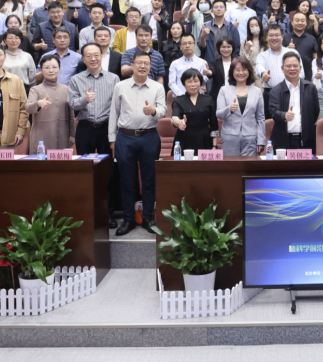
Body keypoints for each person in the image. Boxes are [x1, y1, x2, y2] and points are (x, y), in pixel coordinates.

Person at [109, 51, 166, 237]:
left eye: (146, 63)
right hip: (125, 137)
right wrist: (112, 140)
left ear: (150, 67)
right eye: (139, 63)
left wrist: (153, 111)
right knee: (127, 180)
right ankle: (128, 219)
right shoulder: (120, 86)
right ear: (132, 65)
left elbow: (163, 111)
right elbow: (114, 113)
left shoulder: (157, 87)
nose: (143, 66)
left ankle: (148, 217)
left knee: (149, 180)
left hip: (149, 136)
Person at [69, 43, 120, 157]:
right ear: (83, 59)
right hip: (85, 128)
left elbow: (118, 106)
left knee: (107, 164)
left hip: (106, 128)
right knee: (85, 164)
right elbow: (72, 104)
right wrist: (84, 100)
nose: (93, 59)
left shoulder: (114, 78)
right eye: (89, 56)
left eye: (96, 55)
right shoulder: (76, 79)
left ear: (101, 56)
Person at [268, 52, 320, 152]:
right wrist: (284, 115)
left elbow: (315, 112)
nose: (292, 69)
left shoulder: (310, 88)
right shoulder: (275, 90)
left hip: (306, 141)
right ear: (282, 68)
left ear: (300, 68)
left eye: (295, 66)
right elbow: (273, 112)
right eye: (288, 66)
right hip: (283, 141)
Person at [25, 54, 76, 151]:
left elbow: (71, 115)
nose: (51, 70)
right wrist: (38, 103)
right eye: (47, 68)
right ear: (41, 70)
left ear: (59, 68)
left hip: (63, 136)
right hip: (41, 137)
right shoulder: (35, 89)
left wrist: (72, 134)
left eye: (54, 67)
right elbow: (28, 107)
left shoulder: (66, 89)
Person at [216, 58, 265, 156]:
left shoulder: (257, 91)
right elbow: (219, 114)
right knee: (230, 165)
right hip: (229, 138)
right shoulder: (224, 90)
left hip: (250, 138)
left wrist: (261, 140)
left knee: (249, 165)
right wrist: (229, 109)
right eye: (237, 70)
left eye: (244, 69)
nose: (241, 73)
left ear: (249, 71)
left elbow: (260, 118)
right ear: (232, 72)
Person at [171, 68, 218, 152]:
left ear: (200, 83)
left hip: (204, 140)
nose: (193, 84)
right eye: (189, 81)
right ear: (184, 84)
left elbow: (214, 125)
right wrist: (179, 123)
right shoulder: (178, 100)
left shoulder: (208, 99)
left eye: (196, 81)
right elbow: (174, 118)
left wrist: (214, 146)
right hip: (184, 140)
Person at [255, 25, 295, 115]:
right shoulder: (262, 55)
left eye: (277, 35)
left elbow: (301, 74)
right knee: (269, 121)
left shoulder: (292, 53)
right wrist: (263, 73)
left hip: (290, 93)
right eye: (271, 35)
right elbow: (258, 66)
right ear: (266, 38)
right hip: (270, 94)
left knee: (291, 120)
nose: (274, 38)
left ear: (282, 37)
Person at [200, 0, 240, 65]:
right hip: (210, 63)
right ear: (212, 10)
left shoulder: (232, 28)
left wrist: (233, 63)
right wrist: (202, 37)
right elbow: (202, 48)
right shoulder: (206, 27)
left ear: (225, 10)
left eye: (221, 7)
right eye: (216, 7)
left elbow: (236, 48)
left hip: (228, 63)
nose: (218, 9)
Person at [286, 10, 319, 81]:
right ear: (292, 22)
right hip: (289, 78)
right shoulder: (285, 38)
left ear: (306, 23)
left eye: (302, 21)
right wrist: (286, 49)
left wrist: (314, 75)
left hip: (308, 78)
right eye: (297, 20)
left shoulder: (312, 39)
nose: (300, 23)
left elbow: (315, 59)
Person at [208, 36, 237, 105]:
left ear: (232, 48)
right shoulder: (214, 63)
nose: (226, 49)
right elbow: (212, 71)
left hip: (235, 95)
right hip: (217, 96)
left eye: (228, 47)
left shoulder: (237, 62)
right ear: (219, 48)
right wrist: (209, 72)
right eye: (223, 47)